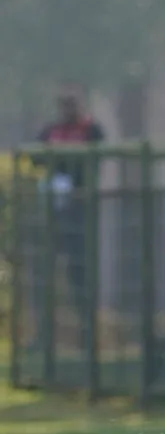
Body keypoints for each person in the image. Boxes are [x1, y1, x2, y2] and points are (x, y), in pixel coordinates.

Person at [35, 85, 105, 335]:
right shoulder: (51, 131)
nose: (68, 110)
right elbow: (37, 158)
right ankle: (44, 330)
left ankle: (87, 327)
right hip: (53, 211)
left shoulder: (91, 131)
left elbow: (95, 161)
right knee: (44, 270)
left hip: (80, 211)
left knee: (79, 269)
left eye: (72, 104)